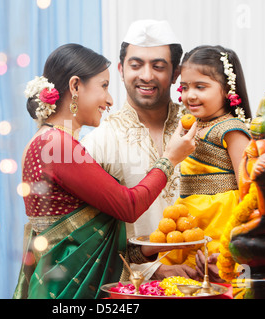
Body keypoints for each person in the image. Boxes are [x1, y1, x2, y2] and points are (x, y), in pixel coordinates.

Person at [13, 43, 197, 299]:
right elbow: (128, 206)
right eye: (104, 86)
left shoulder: (46, 140)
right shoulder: (57, 146)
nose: (110, 100)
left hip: (55, 283)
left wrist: (152, 263)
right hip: (68, 291)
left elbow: (88, 236)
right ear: (75, 86)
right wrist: (169, 159)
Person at [82, 20, 198, 280]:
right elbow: (89, 241)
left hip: (206, 282)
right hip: (134, 291)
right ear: (121, 69)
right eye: (136, 65)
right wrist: (153, 271)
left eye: (158, 66)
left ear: (176, 73)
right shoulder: (99, 142)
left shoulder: (201, 128)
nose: (146, 75)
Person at [166, 45, 252, 282]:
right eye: (184, 87)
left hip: (220, 222)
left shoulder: (232, 131)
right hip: (190, 220)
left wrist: (235, 245)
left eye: (200, 87)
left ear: (227, 89)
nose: (189, 95)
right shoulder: (191, 126)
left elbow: (249, 192)